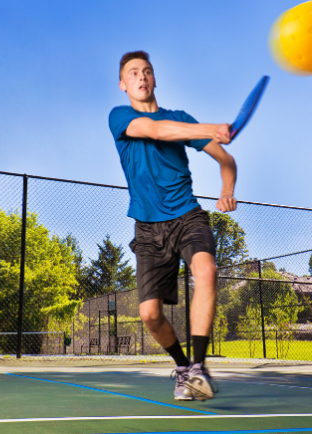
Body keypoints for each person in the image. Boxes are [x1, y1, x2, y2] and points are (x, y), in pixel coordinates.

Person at [109, 51, 237, 401]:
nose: (142, 76)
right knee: (150, 315)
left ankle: (198, 367)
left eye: (147, 71)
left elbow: (226, 159)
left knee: (206, 271)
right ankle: (182, 368)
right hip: (148, 228)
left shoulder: (180, 119)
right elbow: (156, 131)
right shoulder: (120, 117)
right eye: (133, 72)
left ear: (154, 79)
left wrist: (227, 190)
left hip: (187, 216)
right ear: (123, 84)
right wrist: (211, 128)